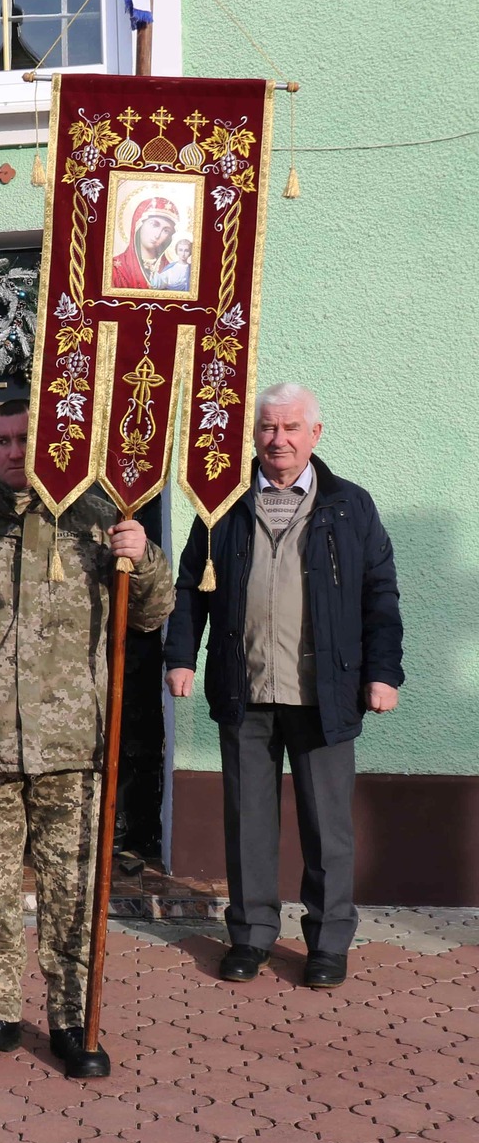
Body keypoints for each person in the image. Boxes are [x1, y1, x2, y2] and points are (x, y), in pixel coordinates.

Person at [0, 398, 172, 1078]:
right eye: (4, 439)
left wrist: (146, 559)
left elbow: (151, 613)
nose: (16, 450)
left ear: (52, 441)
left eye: (27, 437)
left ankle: (74, 1019)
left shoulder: (97, 523)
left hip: (73, 748)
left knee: (72, 891)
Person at [165, 383, 402, 990]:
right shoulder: (224, 506)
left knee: (328, 826)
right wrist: (181, 657)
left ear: (315, 435)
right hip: (245, 688)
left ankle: (327, 943)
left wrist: (383, 673)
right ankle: (249, 936)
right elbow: (190, 587)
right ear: (254, 435)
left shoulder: (351, 507)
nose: (280, 440)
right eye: (269, 429)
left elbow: (380, 596)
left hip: (327, 693)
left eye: (292, 428)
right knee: (248, 820)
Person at [109, 197, 180, 291]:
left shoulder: (171, 270)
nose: (157, 235)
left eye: (166, 231)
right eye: (154, 224)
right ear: (139, 224)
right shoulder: (116, 268)